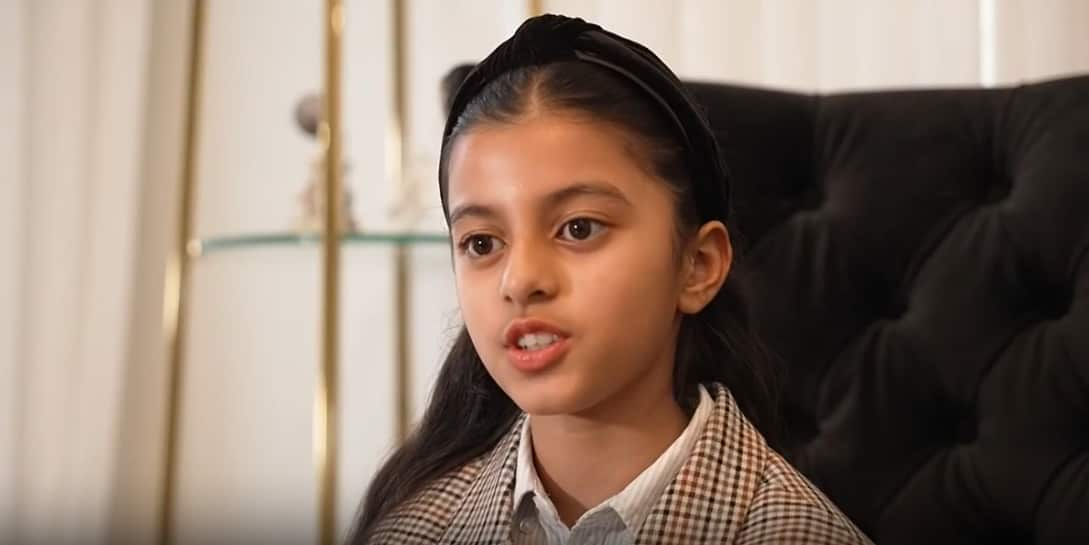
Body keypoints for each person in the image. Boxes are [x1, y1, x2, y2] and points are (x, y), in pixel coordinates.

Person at [350, 14, 873, 545]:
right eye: (482, 243)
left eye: (579, 228)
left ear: (698, 265)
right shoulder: (411, 529)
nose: (521, 279)